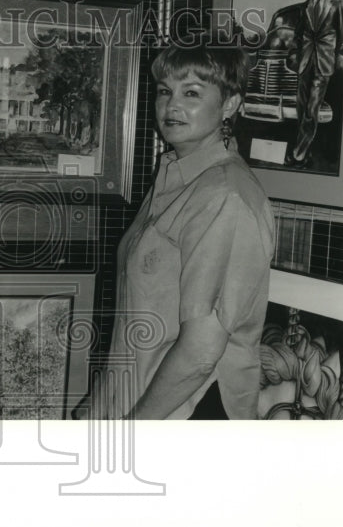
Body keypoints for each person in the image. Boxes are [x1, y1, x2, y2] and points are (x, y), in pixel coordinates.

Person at [78, 42, 275, 420]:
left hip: (186, 413)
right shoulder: (176, 173)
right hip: (139, 399)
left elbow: (200, 354)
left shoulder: (225, 196)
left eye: (192, 93)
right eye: (165, 91)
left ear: (230, 105)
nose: (172, 105)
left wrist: (131, 431)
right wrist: (102, 403)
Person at [285, 0, 343, 168]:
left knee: (312, 109)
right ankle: (306, 150)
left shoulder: (338, 2)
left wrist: (340, 54)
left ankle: (298, 154)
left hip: (325, 61)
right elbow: (299, 33)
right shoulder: (307, 4)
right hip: (305, 62)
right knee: (302, 108)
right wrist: (294, 54)